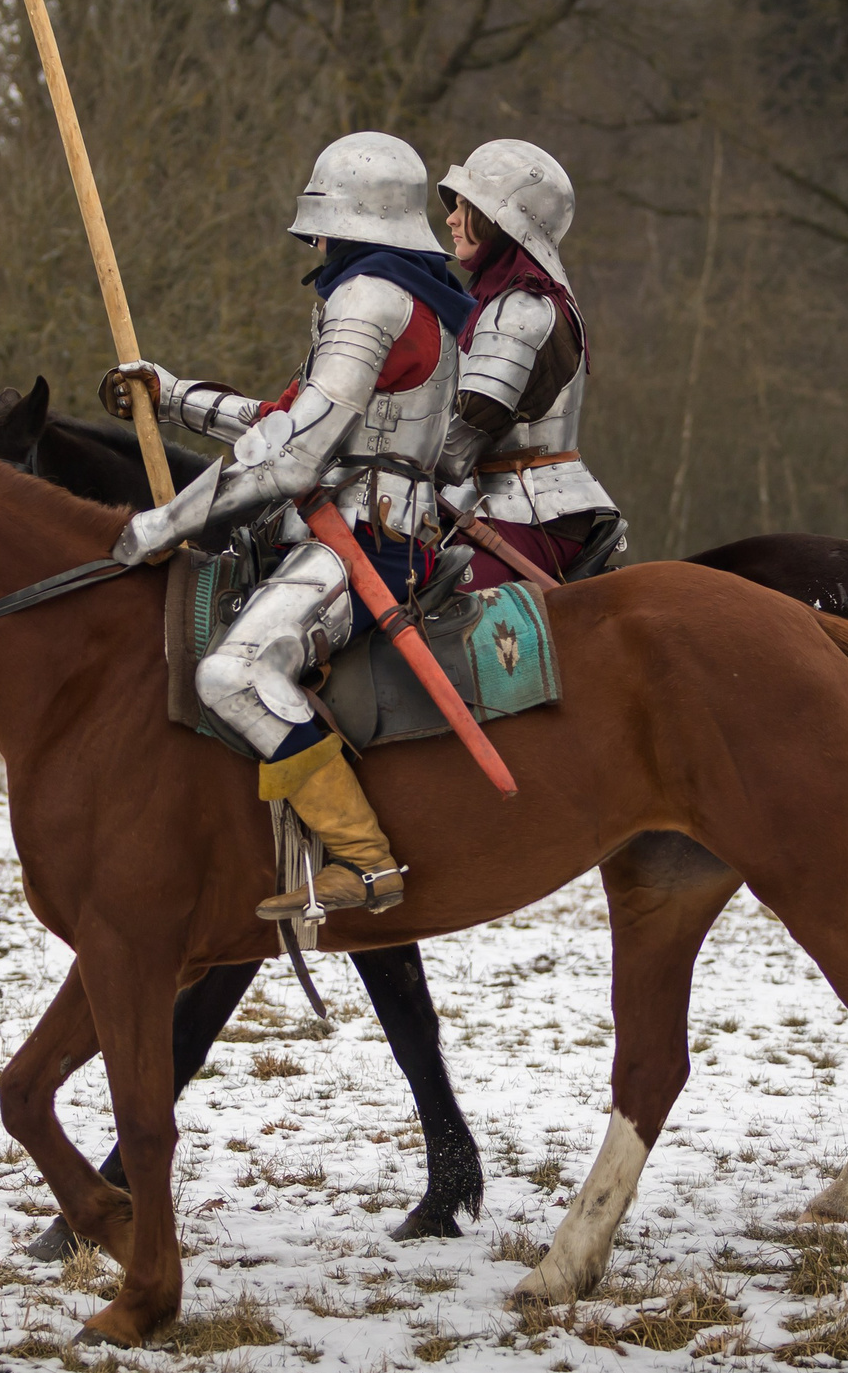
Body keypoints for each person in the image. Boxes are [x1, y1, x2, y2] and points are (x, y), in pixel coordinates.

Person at [101, 132, 472, 919]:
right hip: (356, 526)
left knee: (233, 674)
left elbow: (294, 461)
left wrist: (164, 523)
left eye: (322, 225)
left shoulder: (369, 296)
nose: (315, 242)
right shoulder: (406, 295)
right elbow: (281, 421)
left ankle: (367, 862)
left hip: (362, 542)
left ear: (349, 223)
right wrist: (169, 394)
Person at [433, 140, 622, 590]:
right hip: (483, 502)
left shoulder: (522, 307)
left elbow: (456, 447)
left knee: (423, 600)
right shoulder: (489, 299)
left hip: (533, 511)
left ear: (502, 220)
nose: (451, 219)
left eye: (466, 207)